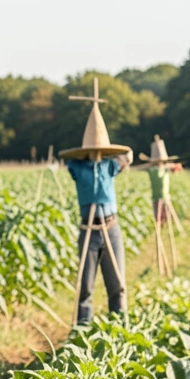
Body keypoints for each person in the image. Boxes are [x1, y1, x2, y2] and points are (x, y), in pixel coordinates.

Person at [59, 83, 134, 324]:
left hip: (111, 228)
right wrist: (86, 155)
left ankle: (119, 327)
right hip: (88, 230)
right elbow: (68, 162)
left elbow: (127, 157)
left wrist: (120, 154)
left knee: (117, 284)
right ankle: (83, 329)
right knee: (86, 286)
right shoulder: (78, 168)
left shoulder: (110, 165)